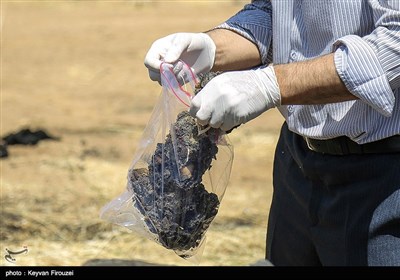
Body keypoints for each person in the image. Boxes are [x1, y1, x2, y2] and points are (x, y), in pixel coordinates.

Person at [144, 0, 400, 266]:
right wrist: (212, 47)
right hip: (297, 162)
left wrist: (270, 84)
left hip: (383, 178)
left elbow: (396, 42)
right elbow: (276, 12)